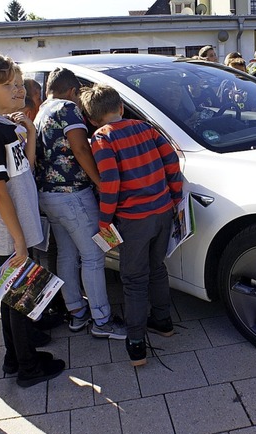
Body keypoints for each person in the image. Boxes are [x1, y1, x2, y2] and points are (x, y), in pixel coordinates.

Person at [0, 53, 65, 387]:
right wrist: (19, 238)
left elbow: (26, 168)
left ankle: (15, 356)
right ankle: (28, 368)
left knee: (14, 297)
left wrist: (30, 131)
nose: (18, 91)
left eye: (19, 84)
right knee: (19, 300)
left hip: (14, 227)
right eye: (8, 85)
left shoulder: (4, 127)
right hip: (11, 230)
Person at [80, 84, 183, 366]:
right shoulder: (145, 128)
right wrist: (174, 197)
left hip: (133, 220)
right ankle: (163, 322)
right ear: (121, 108)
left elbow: (110, 183)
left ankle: (136, 343)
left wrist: (105, 220)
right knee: (157, 268)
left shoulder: (102, 138)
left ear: (90, 119)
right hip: (162, 211)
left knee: (134, 280)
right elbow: (172, 161)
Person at [34, 67, 126, 338]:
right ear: (73, 91)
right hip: (73, 193)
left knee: (66, 254)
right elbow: (80, 147)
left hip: (49, 194)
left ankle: (76, 311)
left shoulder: (42, 111)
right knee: (94, 256)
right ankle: (102, 320)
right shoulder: (67, 109)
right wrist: (100, 182)